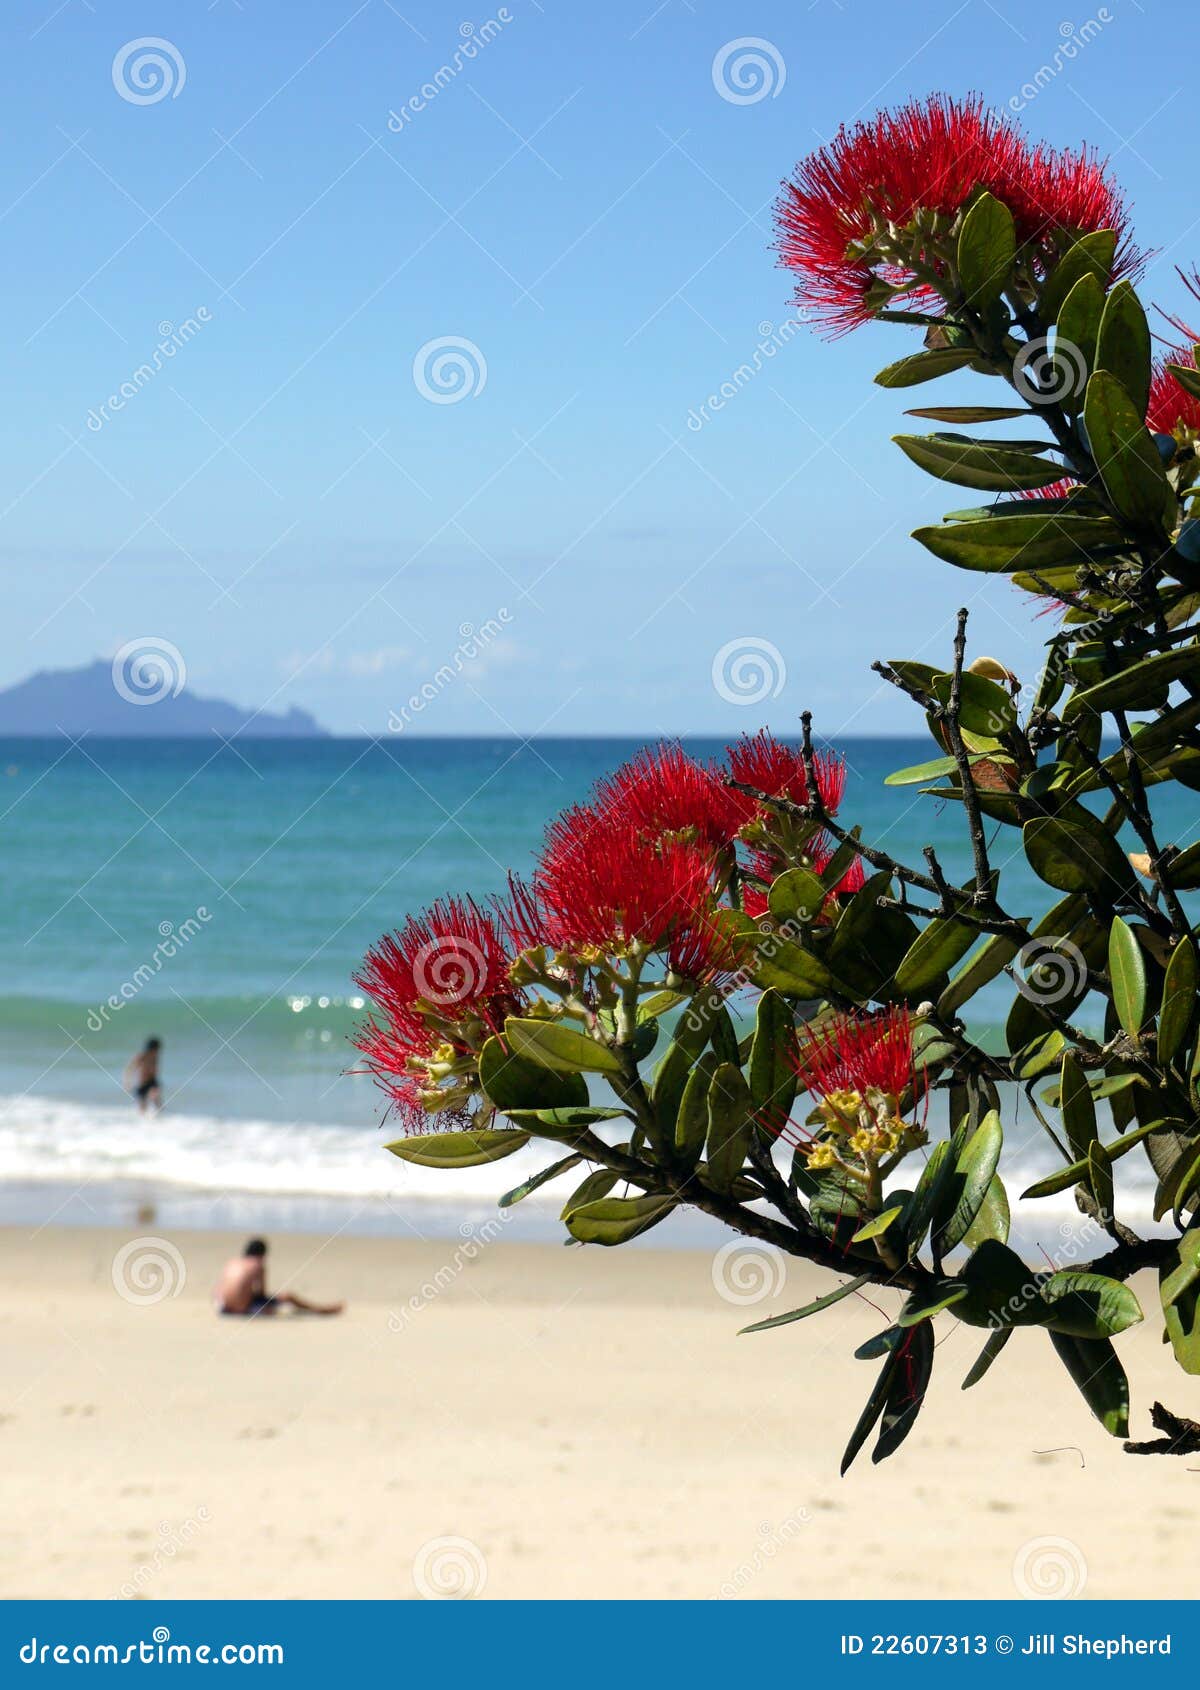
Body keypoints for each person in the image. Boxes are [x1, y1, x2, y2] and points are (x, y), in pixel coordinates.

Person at [213, 1239, 344, 1317]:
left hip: (222, 1306)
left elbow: (219, 1288)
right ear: (262, 1253)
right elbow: (262, 1293)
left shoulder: (232, 1262)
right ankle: (321, 1310)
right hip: (241, 1309)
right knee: (288, 1296)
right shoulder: (258, 1264)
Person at [123, 1037, 163, 1112]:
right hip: (142, 1083)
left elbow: (155, 1070)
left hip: (152, 1081)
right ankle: (143, 1121)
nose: (157, 1051)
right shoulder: (141, 1056)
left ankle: (160, 1118)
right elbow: (129, 1069)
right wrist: (127, 1083)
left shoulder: (155, 1057)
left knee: (156, 1098)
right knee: (142, 1107)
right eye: (156, 1049)